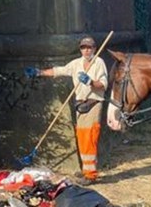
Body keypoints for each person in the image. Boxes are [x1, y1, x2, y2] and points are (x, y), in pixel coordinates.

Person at [25, 36, 108, 185]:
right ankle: (85, 170)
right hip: (80, 104)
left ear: (94, 49)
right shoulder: (76, 64)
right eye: (83, 47)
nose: (86, 50)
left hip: (93, 103)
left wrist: (90, 82)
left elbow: (103, 85)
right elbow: (60, 70)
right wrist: (39, 72)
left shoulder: (98, 63)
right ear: (80, 49)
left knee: (89, 137)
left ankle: (90, 175)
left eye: (89, 47)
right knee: (82, 137)